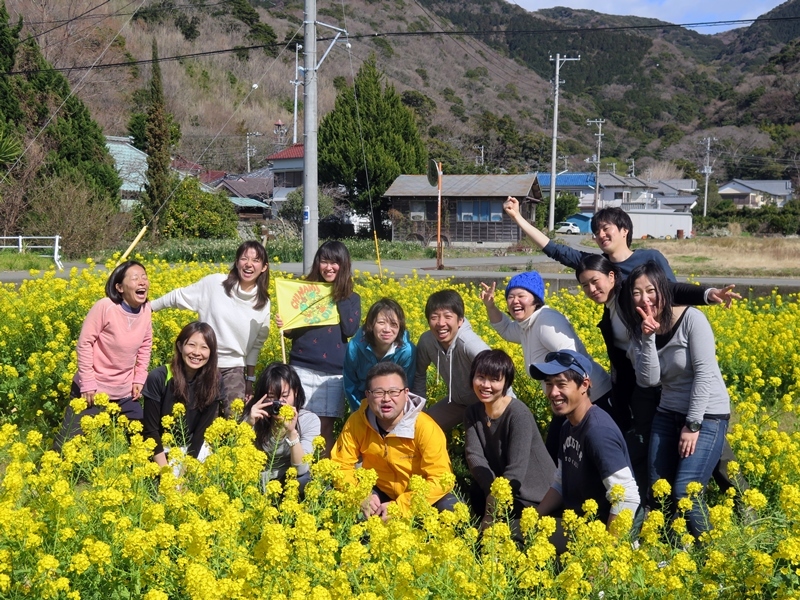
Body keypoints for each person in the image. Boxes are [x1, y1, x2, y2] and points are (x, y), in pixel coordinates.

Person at [575, 254, 744, 503]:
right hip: (652, 387)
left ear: (611, 276)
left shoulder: (634, 293)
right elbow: (636, 369)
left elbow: (671, 290)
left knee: (711, 450)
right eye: (584, 285)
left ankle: (740, 496)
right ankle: (654, 508)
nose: (591, 289)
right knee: (650, 450)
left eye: (595, 281)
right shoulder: (614, 312)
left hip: (692, 399)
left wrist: (708, 294)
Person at [619, 261, 730, 537]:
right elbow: (649, 380)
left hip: (707, 414)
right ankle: (667, 551)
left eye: (651, 290)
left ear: (665, 291)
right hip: (668, 412)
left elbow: (704, 375)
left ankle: (711, 551)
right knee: (658, 490)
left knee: (685, 492)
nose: (645, 299)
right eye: (636, 293)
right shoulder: (638, 329)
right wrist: (648, 338)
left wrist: (693, 425)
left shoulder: (693, 319)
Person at [480, 271, 613, 460]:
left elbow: (572, 358)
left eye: (521, 296)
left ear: (535, 299)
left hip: (591, 399)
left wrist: (575, 401)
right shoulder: (527, 325)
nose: (515, 301)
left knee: (567, 455)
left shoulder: (545, 322)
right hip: (565, 399)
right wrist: (490, 306)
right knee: (561, 456)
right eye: (510, 297)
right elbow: (506, 330)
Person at [531, 350, 640, 554]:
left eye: (561, 384)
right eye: (549, 384)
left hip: (597, 536)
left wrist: (604, 556)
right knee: (520, 530)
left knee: (517, 536)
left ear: (585, 385)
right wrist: (534, 518)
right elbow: (560, 482)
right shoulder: (568, 425)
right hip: (576, 524)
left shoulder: (597, 432)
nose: (553, 392)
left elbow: (627, 497)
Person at [150, 241, 271, 414]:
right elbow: (179, 296)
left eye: (256, 260)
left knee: (235, 419)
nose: (249, 264)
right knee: (200, 418)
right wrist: (149, 308)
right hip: (202, 363)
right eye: (244, 258)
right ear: (237, 262)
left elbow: (256, 345)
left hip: (233, 367)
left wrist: (249, 381)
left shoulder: (263, 303)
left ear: (264, 267)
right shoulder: (215, 284)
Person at [331, 362, 457, 520]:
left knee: (451, 509)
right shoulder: (357, 422)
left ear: (406, 393)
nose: (386, 399)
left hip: (418, 495)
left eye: (393, 392)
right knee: (339, 500)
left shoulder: (425, 427)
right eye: (378, 392)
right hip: (378, 491)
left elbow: (441, 478)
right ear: (368, 395)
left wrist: (402, 507)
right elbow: (341, 465)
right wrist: (360, 495)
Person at [53, 260, 152, 451]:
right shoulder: (105, 307)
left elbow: (146, 345)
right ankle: (47, 478)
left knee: (144, 439)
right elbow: (84, 344)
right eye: (135, 278)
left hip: (125, 393)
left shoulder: (146, 309)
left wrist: (139, 378)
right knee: (66, 445)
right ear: (119, 287)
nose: (142, 282)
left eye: (144, 277)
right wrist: (88, 382)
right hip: (94, 389)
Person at [276, 241, 361, 456]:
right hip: (301, 367)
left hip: (332, 374)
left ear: (344, 265)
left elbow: (350, 328)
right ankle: (299, 470)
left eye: (335, 262)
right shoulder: (305, 291)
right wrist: (285, 325)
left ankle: (322, 475)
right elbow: (294, 331)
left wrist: (338, 294)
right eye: (325, 261)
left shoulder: (352, 298)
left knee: (324, 428)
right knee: (298, 424)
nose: (329, 267)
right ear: (318, 263)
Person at [464, 349, 554, 530]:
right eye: (480, 377)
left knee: (508, 528)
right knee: (475, 492)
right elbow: (474, 455)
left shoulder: (518, 414)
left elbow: (516, 470)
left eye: (494, 379)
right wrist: (492, 495)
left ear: (506, 383)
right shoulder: (473, 412)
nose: (486, 385)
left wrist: (491, 510)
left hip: (532, 495)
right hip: (503, 488)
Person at [141, 322, 223, 468]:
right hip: (161, 450)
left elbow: (201, 433)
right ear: (180, 346)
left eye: (204, 347)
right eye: (191, 345)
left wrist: (185, 473)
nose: (197, 352)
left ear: (211, 353)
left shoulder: (214, 380)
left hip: (194, 449)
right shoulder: (159, 377)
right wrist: (166, 474)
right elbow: (151, 431)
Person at [412, 289, 494, 432]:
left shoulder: (468, 343)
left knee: (487, 440)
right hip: (456, 402)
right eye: (434, 317)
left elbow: (499, 374)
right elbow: (419, 374)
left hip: (486, 403)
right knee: (422, 429)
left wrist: (509, 412)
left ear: (460, 320)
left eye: (447, 316)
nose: (441, 323)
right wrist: (420, 411)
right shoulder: (427, 342)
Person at [244, 362, 321, 492]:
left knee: (306, 481)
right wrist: (248, 424)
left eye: (285, 396)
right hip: (255, 481)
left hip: (288, 483)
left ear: (295, 392)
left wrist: (292, 432)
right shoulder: (255, 415)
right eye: (272, 397)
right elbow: (235, 455)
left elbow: (301, 469)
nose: (279, 403)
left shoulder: (309, 420)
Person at [343, 298, 416, 413]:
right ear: (371, 324)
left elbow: (407, 388)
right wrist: (361, 412)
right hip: (363, 404)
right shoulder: (355, 347)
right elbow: (351, 384)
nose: (387, 329)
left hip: (394, 406)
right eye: (381, 323)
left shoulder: (407, 352)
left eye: (393, 324)